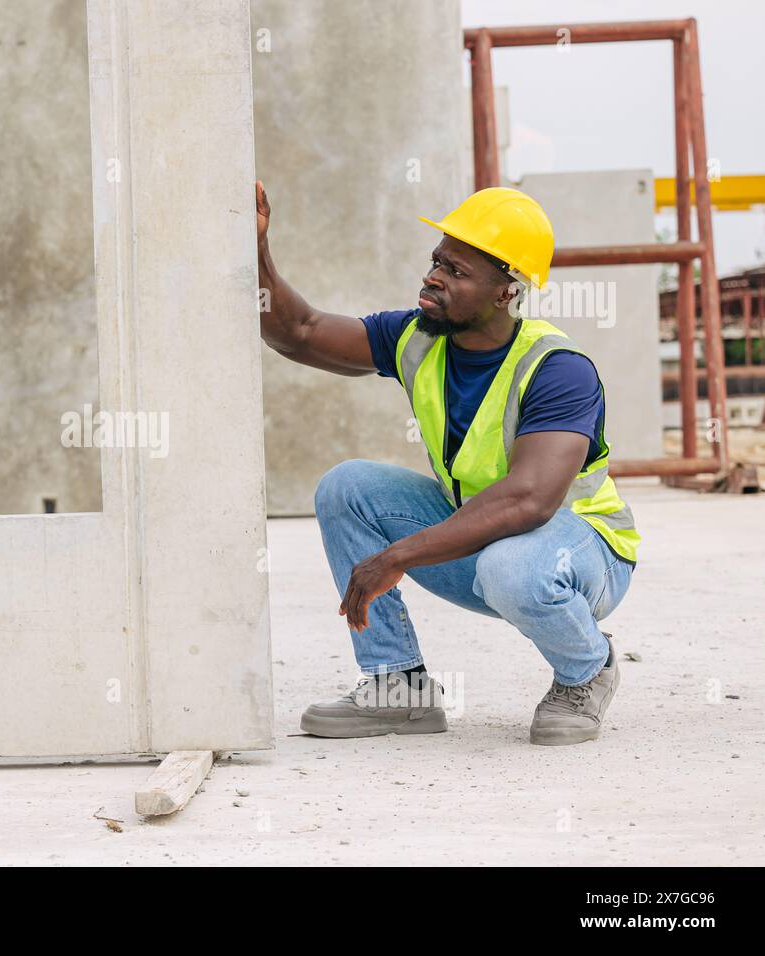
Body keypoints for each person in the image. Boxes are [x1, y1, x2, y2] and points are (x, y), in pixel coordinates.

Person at [255, 182, 639, 746]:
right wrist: (255, 248)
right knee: (349, 487)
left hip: (577, 555)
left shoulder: (557, 369)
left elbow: (529, 500)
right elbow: (300, 331)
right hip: (487, 541)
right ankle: (397, 688)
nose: (434, 277)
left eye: (456, 272)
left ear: (507, 290)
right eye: (437, 261)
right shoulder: (417, 336)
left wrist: (397, 556)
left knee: (514, 567)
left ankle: (586, 671)